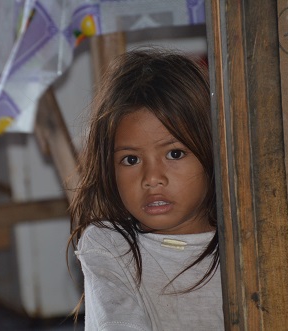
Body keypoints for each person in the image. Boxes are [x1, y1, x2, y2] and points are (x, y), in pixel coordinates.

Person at [69, 48, 224, 330]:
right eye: (131, 159)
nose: (152, 178)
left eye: (175, 154)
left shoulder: (245, 242)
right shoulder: (111, 246)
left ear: (212, 152)